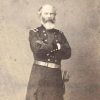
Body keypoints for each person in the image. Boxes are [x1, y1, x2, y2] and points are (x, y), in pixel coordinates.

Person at [26, 4, 71, 100]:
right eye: (46, 13)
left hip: (55, 76)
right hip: (39, 75)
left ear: (55, 16)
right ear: (40, 15)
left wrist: (46, 46)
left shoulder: (60, 34)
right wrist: (58, 47)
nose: (49, 16)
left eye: (51, 14)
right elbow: (38, 51)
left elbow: (68, 53)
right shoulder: (34, 33)